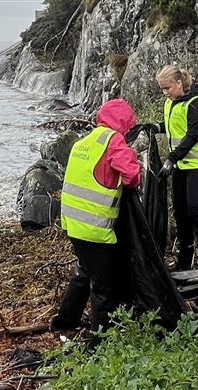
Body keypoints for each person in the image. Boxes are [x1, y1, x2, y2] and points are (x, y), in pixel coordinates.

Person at [56, 98, 141, 333]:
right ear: (124, 122)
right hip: (95, 229)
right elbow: (132, 177)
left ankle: (65, 322)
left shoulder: (84, 141)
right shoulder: (113, 141)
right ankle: (99, 341)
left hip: (72, 223)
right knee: (104, 288)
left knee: (83, 271)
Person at [150, 65, 198, 270]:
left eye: (167, 88)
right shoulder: (171, 102)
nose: (165, 93)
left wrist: (170, 160)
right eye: (162, 89)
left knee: (196, 210)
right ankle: (184, 260)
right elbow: (172, 125)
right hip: (183, 164)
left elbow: (192, 136)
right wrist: (156, 127)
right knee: (181, 212)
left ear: (179, 83)